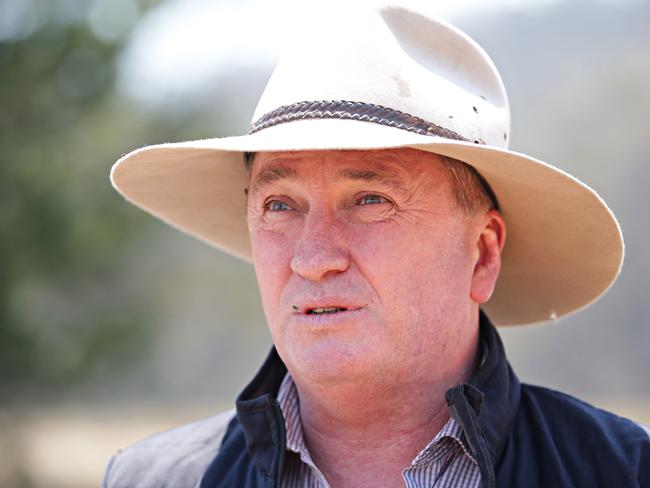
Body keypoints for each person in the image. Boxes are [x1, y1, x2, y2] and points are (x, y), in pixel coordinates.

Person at [103, 4, 649, 488]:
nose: (313, 259)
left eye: (370, 199)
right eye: (278, 205)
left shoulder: (624, 472)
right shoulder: (152, 480)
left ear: (482, 253)